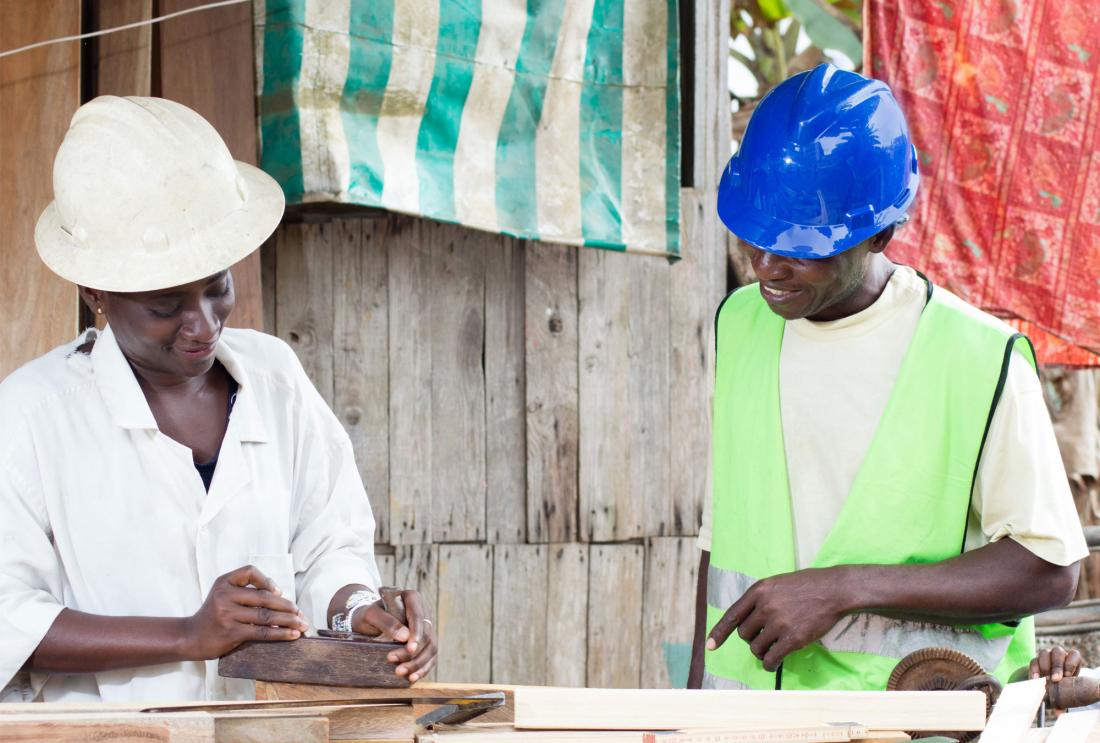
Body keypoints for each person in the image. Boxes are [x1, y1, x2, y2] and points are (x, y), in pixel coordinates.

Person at [0, 96, 436, 703]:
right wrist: (187, 635)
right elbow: (7, 620)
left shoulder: (275, 378)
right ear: (96, 290)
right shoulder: (29, 417)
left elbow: (326, 546)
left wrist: (356, 609)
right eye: (165, 306)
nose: (203, 324)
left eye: (216, 289)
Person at [688, 63, 1088, 691]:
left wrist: (845, 589)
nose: (766, 266)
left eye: (802, 247)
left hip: (916, 725)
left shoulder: (980, 359)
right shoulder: (739, 325)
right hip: (748, 726)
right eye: (756, 235)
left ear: (881, 233)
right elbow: (723, 539)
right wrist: (694, 716)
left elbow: (1049, 569)